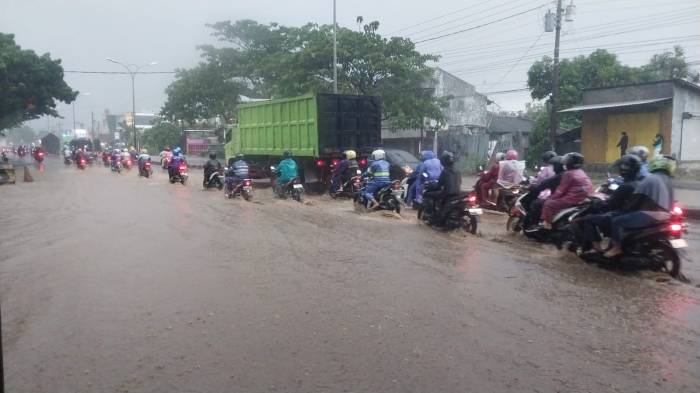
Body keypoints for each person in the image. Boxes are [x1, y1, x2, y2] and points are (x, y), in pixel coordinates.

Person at [604, 156, 676, 257]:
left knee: (617, 221)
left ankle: (617, 248)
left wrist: (625, 209)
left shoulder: (650, 178)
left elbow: (636, 199)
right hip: (666, 215)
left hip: (650, 214)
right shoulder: (668, 180)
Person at [578, 155, 643, 252]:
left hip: (624, 214)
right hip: (635, 214)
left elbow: (610, 205)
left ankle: (596, 249)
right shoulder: (639, 183)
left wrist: (596, 203)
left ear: (623, 170)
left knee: (589, 219)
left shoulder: (625, 186)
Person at [540, 153, 593, 229]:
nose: (564, 163)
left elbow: (560, 190)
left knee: (548, 203)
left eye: (566, 161)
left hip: (574, 198)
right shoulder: (580, 171)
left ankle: (547, 224)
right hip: (585, 197)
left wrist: (551, 198)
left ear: (570, 163)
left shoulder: (568, 174)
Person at [521, 156, 565, 229]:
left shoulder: (556, 177)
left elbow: (541, 185)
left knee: (536, 204)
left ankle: (534, 224)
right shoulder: (567, 174)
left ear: (556, 166)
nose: (552, 167)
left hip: (555, 198)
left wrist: (531, 187)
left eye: (554, 165)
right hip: (560, 197)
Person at [424, 151, 462, 223]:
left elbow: (439, 185)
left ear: (443, 161)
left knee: (429, 194)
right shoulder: (458, 170)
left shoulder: (445, 171)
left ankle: (432, 215)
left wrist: (433, 186)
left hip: (447, 193)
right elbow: (460, 182)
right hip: (457, 193)